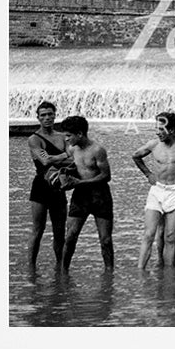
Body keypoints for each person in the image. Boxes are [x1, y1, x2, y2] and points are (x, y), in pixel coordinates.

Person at [132, 112, 175, 269]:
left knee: (170, 237)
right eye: (157, 128)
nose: (157, 132)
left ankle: (168, 275)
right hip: (157, 190)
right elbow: (136, 156)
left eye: (161, 129)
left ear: (172, 130)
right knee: (149, 234)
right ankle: (141, 272)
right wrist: (148, 174)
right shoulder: (154, 144)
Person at [59, 116, 114, 272]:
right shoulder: (72, 149)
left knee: (105, 239)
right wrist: (67, 173)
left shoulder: (97, 150)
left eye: (69, 135)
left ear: (80, 134)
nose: (66, 138)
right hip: (80, 196)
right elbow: (77, 167)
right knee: (70, 236)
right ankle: (63, 272)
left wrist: (79, 183)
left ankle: (109, 274)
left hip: (100, 195)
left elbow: (106, 176)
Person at [25, 101, 71, 270]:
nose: (47, 118)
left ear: (54, 115)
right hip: (40, 187)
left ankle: (61, 267)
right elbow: (44, 160)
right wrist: (64, 155)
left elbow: (73, 159)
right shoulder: (34, 139)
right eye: (43, 115)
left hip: (58, 186)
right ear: (38, 118)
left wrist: (56, 157)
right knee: (38, 229)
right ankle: (31, 268)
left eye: (50, 114)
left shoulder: (62, 136)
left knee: (60, 231)